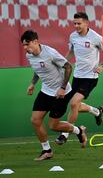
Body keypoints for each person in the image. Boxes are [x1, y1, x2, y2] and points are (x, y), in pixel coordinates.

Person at [21, 30, 87, 161]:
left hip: (61, 93)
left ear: (35, 42)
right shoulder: (30, 56)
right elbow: (38, 70)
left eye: (27, 44)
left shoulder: (50, 53)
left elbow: (68, 67)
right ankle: (47, 151)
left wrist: (62, 88)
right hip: (46, 91)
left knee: (53, 126)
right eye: (23, 45)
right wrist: (32, 84)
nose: (25, 48)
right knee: (35, 120)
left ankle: (78, 131)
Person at [55, 12, 103, 145]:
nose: (76, 26)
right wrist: (62, 63)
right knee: (77, 106)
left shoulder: (96, 37)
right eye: (74, 23)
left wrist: (101, 66)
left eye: (79, 23)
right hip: (77, 75)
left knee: (73, 103)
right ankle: (97, 111)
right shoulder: (73, 36)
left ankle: (65, 133)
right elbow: (71, 52)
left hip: (90, 77)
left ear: (86, 23)